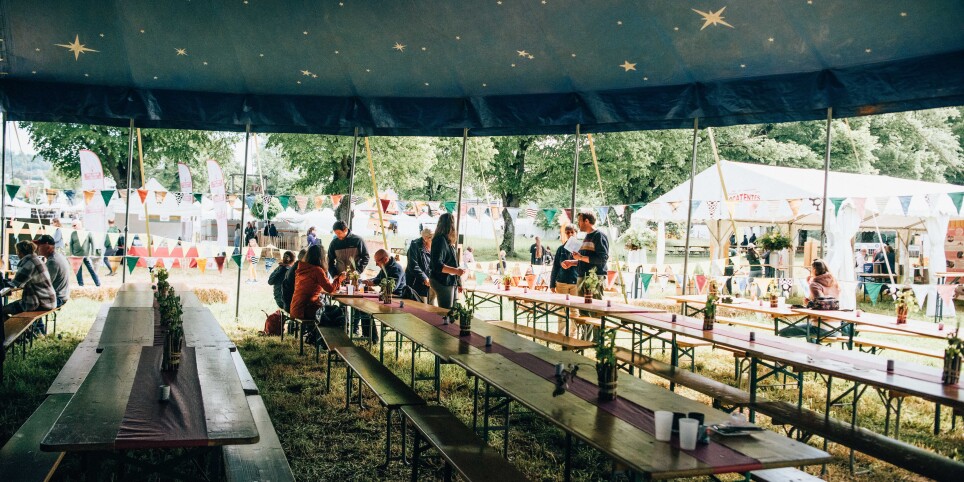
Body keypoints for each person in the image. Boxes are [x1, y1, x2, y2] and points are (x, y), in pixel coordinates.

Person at [2, 240, 56, 320]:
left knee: (2, 310)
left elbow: (17, 284)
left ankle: (10, 331)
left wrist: (4, 282)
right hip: (48, 300)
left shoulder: (29, 263)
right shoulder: (36, 259)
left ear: (20, 252)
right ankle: (16, 330)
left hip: (40, 302)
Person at [561, 212, 609, 302]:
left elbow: (602, 259)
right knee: (583, 311)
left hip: (594, 278)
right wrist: (572, 262)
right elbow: (585, 259)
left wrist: (580, 257)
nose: (578, 224)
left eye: (579, 221)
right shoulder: (587, 236)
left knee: (594, 309)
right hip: (582, 277)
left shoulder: (599, 236)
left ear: (586, 221)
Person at [289, 245, 344, 321]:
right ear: (321, 258)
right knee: (338, 312)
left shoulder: (301, 269)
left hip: (295, 308)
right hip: (306, 309)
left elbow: (308, 287)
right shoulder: (317, 270)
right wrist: (340, 278)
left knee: (331, 311)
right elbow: (330, 289)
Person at [429, 213, 465, 309]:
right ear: (451, 225)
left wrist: (458, 281)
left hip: (449, 281)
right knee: (446, 311)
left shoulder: (447, 242)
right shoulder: (440, 240)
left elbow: (453, 263)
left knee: (452, 310)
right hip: (441, 281)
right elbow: (437, 265)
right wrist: (456, 271)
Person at [550, 224, 579, 332]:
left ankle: (573, 334)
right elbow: (555, 266)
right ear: (565, 234)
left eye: (572, 232)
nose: (570, 234)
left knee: (574, 310)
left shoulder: (581, 249)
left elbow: (584, 264)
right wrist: (552, 283)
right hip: (561, 282)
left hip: (575, 282)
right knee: (561, 309)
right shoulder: (561, 249)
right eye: (568, 232)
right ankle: (561, 334)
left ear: (576, 233)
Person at [34, 235, 70, 308]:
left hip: (56, 298)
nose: (37, 247)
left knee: (25, 306)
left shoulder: (52, 262)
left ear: (47, 246)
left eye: (39, 245)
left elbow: (44, 284)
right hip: (61, 296)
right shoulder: (58, 256)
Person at [406, 228, 435, 304]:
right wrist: (424, 277)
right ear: (426, 238)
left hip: (431, 284)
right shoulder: (415, 245)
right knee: (421, 308)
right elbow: (413, 265)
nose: (435, 241)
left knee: (431, 309)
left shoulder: (433, 247)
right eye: (432, 238)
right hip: (417, 284)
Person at [70, 220, 100, 287]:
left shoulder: (87, 232)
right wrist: (72, 253)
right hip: (76, 255)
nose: (73, 227)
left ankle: (98, 283)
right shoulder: (73, 233)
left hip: (86, 255)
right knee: (78, 271)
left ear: (80, 224)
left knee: (91, 270)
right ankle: (80, 285)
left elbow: (93, 242)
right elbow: (71, 244)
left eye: (74, 225)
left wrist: (92, 253)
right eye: (72, 226)